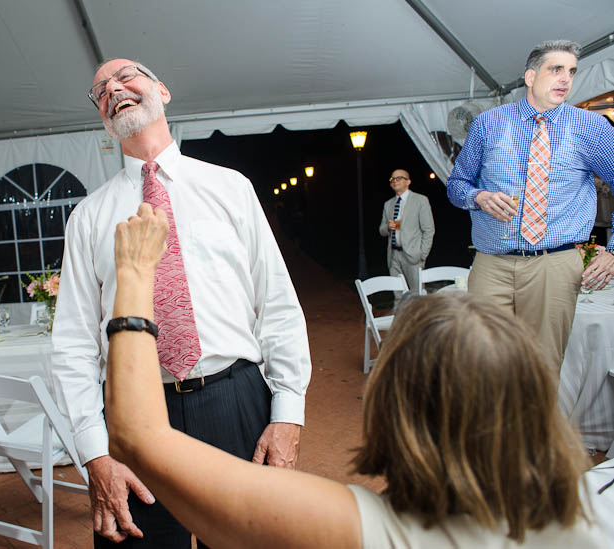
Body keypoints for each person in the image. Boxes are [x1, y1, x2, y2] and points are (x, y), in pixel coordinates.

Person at [105, 202, 607, 548]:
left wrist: (134, 271)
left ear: (390, 409)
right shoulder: (595, 516)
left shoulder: (361, 530)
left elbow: (138, 434)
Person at [52, 59, 311, 547]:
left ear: (162, 91)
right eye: (100, 89)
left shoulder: (230, 187)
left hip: (235, 401)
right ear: (103, 116)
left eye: (126, 76)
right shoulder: (88, 217)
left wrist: (287, 415)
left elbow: (276, 303)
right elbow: (72, 344)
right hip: (134, 417)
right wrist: (95, 453)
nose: (113, 88)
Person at [447, 40, 614, 372]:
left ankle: (534, 427)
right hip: (491, 264)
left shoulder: (592, 128)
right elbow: (456, 185)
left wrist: (613, 250)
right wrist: (477, 197)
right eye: (556, 69)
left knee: (540, 369)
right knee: (482, 363)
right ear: (530, 76)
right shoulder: (488, 124)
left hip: (555, 264)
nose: (565, 79)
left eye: (571, 71)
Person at [378, 169, 435, 290]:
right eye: (392, 179)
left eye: (399, 178)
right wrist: (388, 227)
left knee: (417, 295)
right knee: (399, 295)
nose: (395, 181)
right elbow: (382, 231)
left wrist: (422, 255)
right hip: (394, 256)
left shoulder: (420, 200)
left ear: (408, 182)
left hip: (413, 256)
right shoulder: (388, 204)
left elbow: (429, 230)